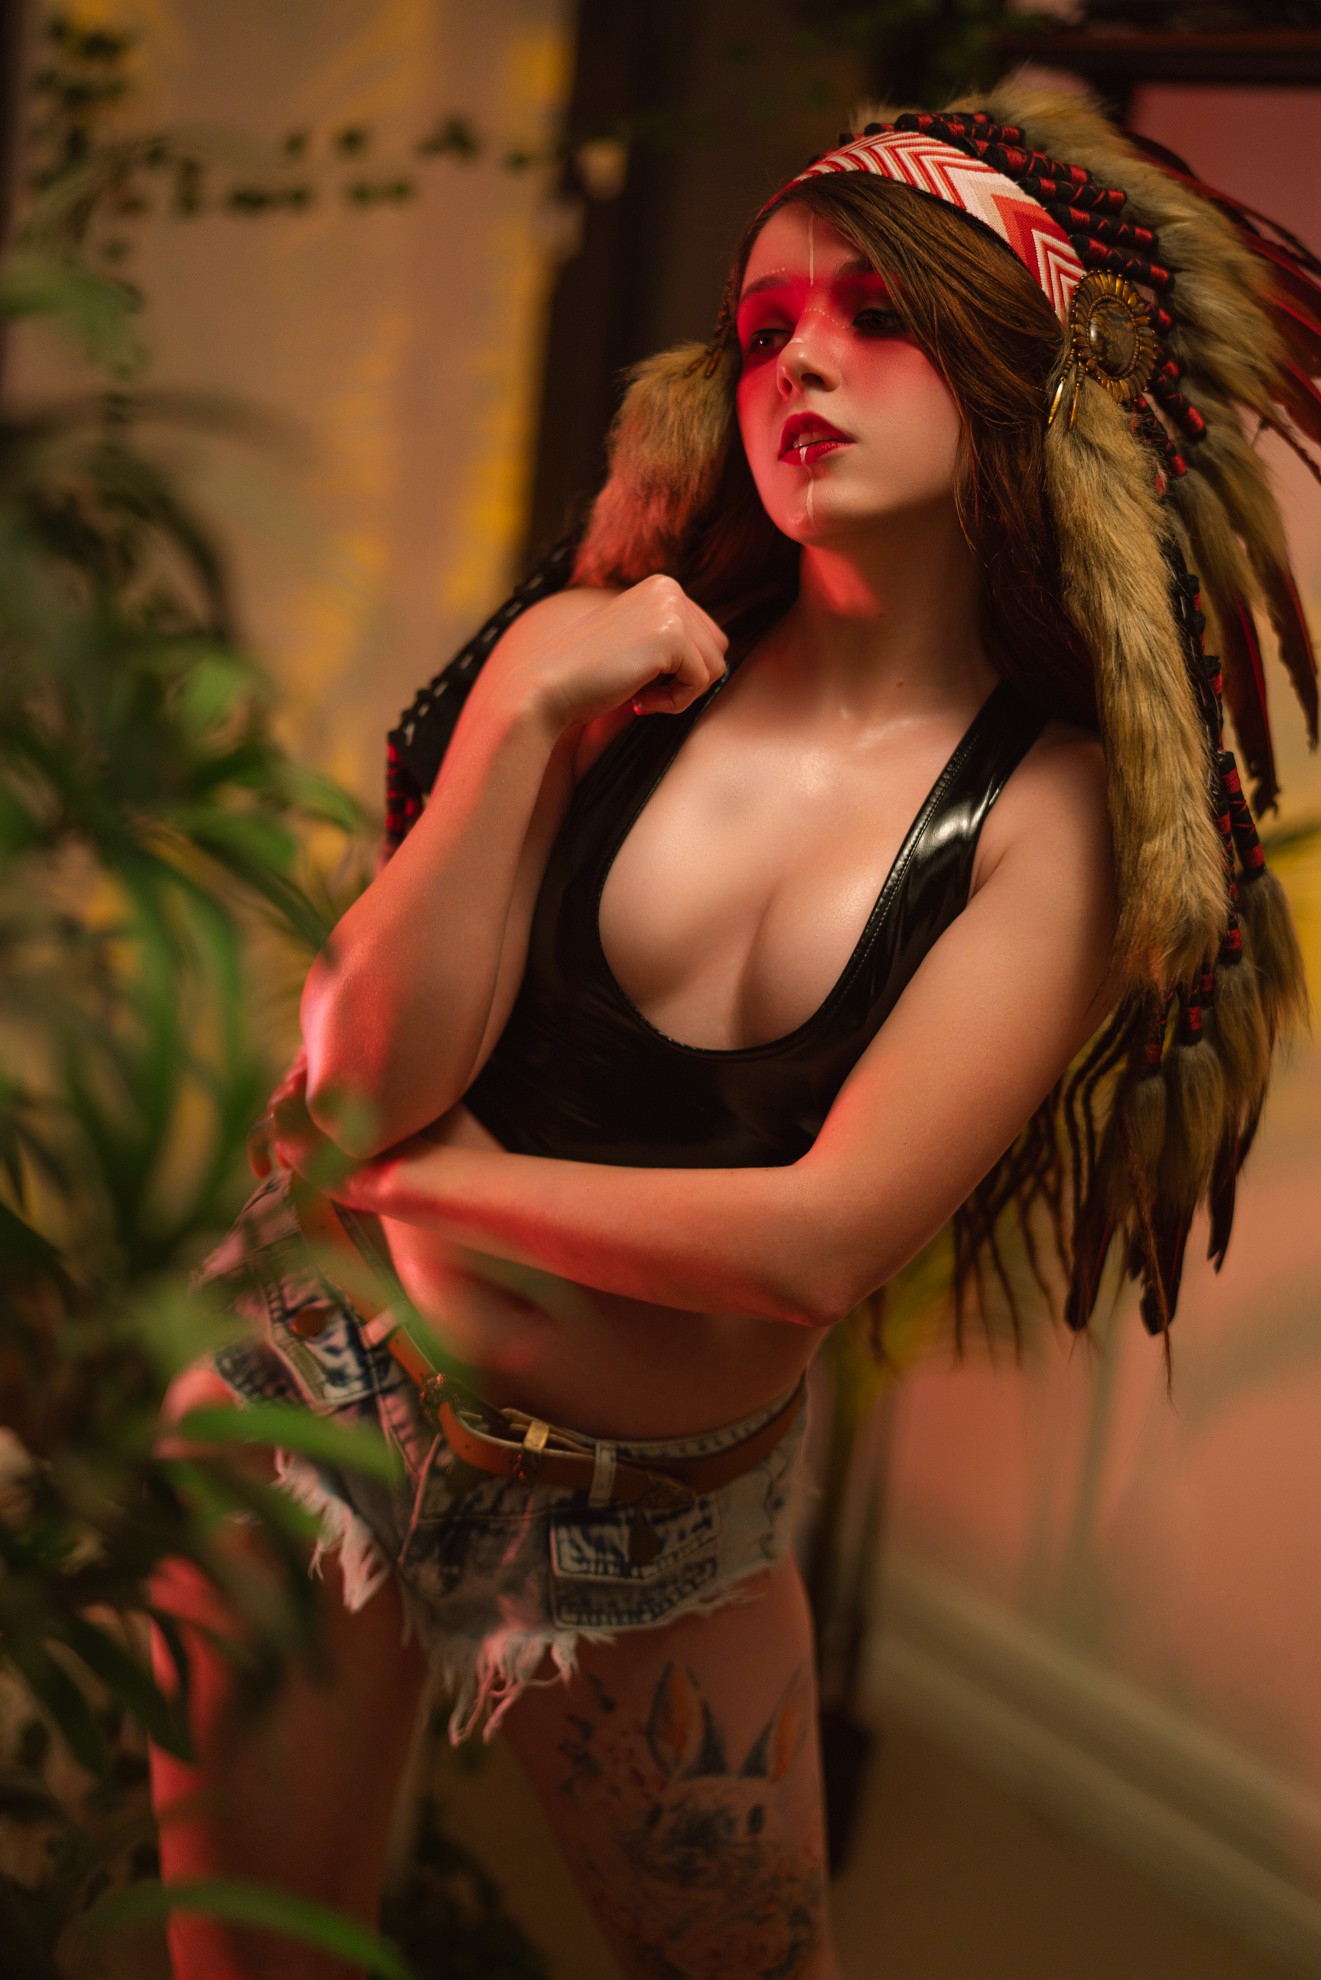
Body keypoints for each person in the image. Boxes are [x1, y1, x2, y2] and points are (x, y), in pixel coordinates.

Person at [149, 84, 1316, 1980]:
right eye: (764, 328)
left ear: (1015, 366)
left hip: (645, 1525)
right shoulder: (623, 655)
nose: (800, 367)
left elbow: (816, 1246)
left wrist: (426, 1186)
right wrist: (521, 715)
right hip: (319, 1393)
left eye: (875, 315)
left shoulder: (1051, 815)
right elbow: (355, 1084)